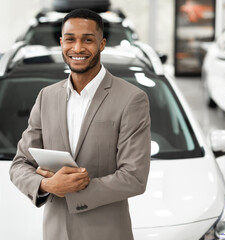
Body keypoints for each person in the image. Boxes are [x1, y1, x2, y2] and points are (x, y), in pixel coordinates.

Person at [9, 8, 151, 240]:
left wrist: (69, 189)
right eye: (70, 39)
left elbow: (134, 177)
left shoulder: (131, 99)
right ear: (61, 43)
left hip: (106, 233)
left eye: (87, 39)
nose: (77, 48)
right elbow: (19, 165)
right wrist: (47, 185)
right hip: (55, 233)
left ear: (102, 44)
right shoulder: (46, 96)